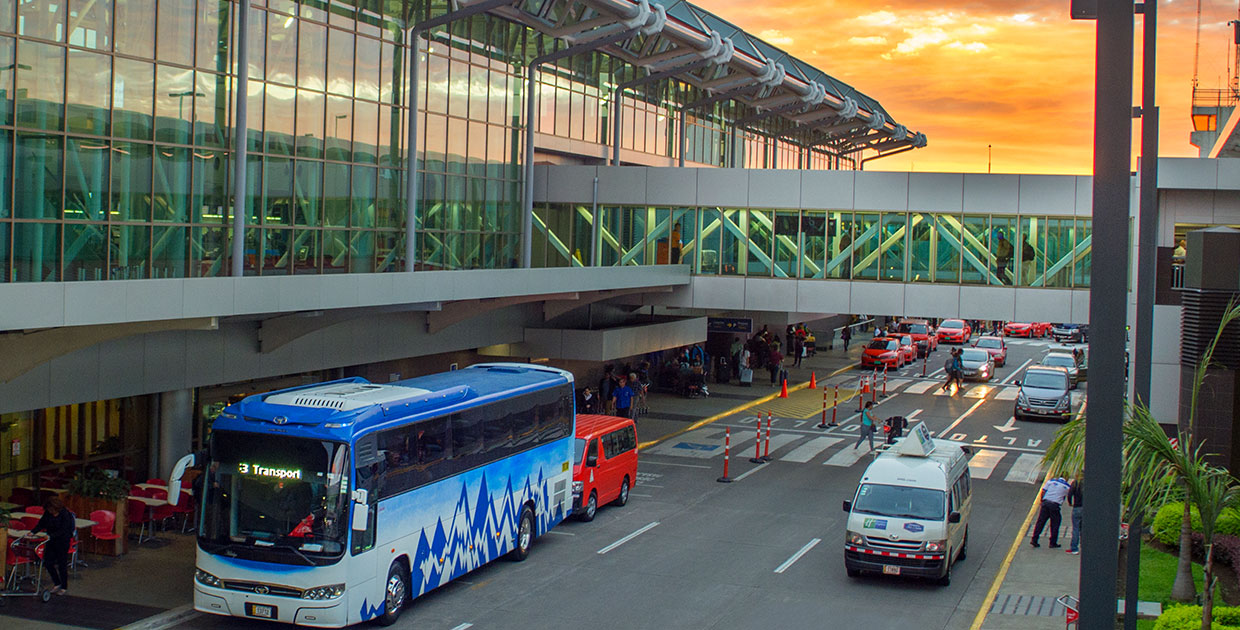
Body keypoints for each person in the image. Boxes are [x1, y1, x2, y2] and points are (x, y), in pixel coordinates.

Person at [28, 496, 75, 595]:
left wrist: (51, 535)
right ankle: (57, 583)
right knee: (48, 562)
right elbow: (41, 523)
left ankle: (64, 587)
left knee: (62, 564)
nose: (50, 511)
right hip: (51, 541)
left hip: (63, 541)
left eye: (51, 509)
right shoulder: (48, 514)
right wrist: (33, 532)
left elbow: (64, 530)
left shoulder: (65, 514)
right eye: (48, 509)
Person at [1031, 476, 1071, 548]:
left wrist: (1042, 500)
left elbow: (1043, 491)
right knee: (1055, 523)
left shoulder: (1051, 481)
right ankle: (1053, 542)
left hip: (1046, 503)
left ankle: (1034, 539)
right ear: (1066, 478)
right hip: (1055, 506)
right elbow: (1068, 496)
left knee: (1041, 522)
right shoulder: (1067, 486)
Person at [1067, 476, 1083, 555]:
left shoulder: (1075, 483)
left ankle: (1074, 548)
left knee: (1076, 528)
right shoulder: (1088, 483)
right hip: (1086, 508)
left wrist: (1070, 503)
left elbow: (1069, 494)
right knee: (1084, 529)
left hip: (1077, 507)